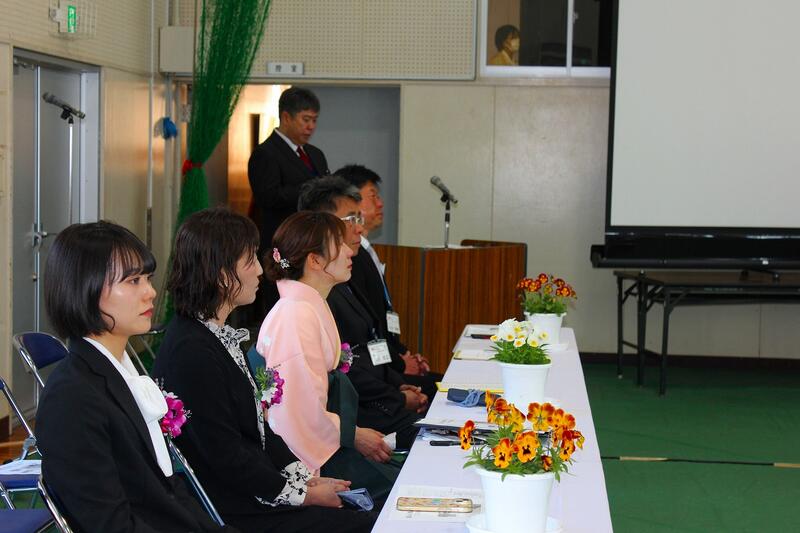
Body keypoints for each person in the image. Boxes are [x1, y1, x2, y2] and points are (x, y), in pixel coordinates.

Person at [153, 208, 375, 533]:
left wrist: (304, 479)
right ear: (222, 274)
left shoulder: (211, 335)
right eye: (249, 261)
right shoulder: (191, 352)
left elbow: (259, 429)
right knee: (365, 522)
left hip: (252, 489)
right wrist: (302, 495)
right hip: (236, 510)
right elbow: (226, 456)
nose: (260, 270)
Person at [36, 221, 235, 533]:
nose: (150, 292)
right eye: (133, 281)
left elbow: (168, 491)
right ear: (85, 288)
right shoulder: (72, 397)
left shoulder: (120, 374)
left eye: (148, 278)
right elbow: (109, 524)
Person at [257, 210, 399, 501]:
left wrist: (351, 432)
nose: (349, 251)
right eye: (339, 244)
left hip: (327, 437)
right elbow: (298, 410)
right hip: (312, 455)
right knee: (397, 493)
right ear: (315, 260)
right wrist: (351, 435)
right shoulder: (295, 315)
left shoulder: (306, 306)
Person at [297, 176, 426, 449]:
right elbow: (346, 372)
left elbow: (371, 341)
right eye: (351, 219)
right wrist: (397, 398)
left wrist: (398, 385)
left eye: (359, 218)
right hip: (359, 417)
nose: (360, 228)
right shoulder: (315, 300)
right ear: (323, 226)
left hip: (379, 399)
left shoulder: (343, 280)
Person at [335, 164, 442, 400]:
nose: (381, 203)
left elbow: (380, 320)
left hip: (385, 365)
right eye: (373, 196)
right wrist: (400, 365)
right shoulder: (351, 259)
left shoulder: (363, 251)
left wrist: (405, 354)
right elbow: (366, 334)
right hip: (375, 375)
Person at [248, 87, 330, 255]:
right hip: (280, 247)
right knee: (283, 271)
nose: (311, 127)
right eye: (306, 120)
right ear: (286, 117)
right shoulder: (265, 153)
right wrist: (312, 188)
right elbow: (268, 198)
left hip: (313, 241)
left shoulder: (316, 154)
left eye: (314, 120)